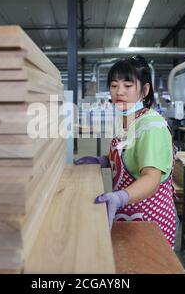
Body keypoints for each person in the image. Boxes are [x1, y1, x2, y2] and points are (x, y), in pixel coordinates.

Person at [74, 56, 178, 249]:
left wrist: (120, 197)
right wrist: (102, 160)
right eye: (114, 85)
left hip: (151, 222)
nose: (119, 92)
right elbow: (128, 157)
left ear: (144, 90)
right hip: (128, 216)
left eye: (128, 85)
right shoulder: (126, 119)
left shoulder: (151, 127)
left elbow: (151, 178)